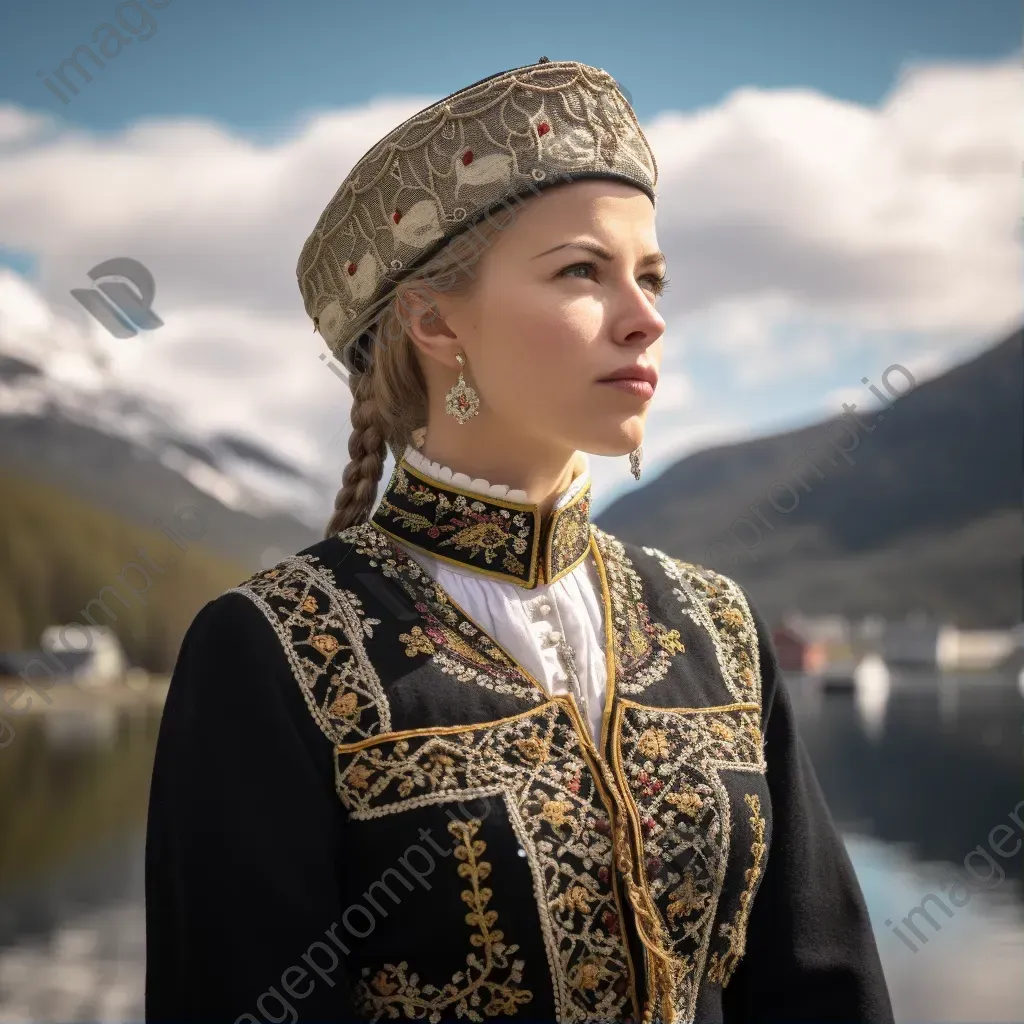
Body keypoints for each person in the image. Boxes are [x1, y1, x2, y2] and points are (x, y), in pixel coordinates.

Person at [145, 58, 894, 1024]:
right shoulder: (273, 649)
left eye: (652, 275)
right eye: (583, 271)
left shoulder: (719, 627)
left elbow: (823, 990)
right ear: (432, 319)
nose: (647, 318)